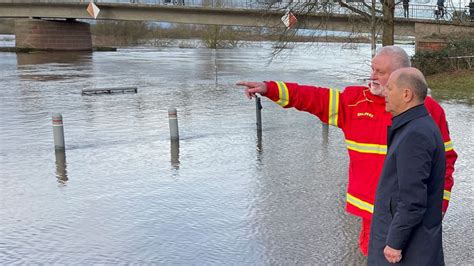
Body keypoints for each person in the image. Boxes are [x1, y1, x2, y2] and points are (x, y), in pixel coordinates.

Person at [236, 46, 457, 256]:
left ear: (401, 76)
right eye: (372, 68)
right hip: (372, 216)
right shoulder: (353, 102)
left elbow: (445, 162)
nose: (371, 76)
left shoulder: (429, 110)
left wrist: (439, 208)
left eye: (379, 72)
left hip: (415, 215)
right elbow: (311, 97)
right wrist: (269, 89)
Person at [368, 67, 445, 265]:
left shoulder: (415, 134)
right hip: (414, 243)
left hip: (411, 249)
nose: (384, 92)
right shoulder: (416, 126)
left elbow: (413, 200)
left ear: (406, 94)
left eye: (390, 88)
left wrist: (394, 242)